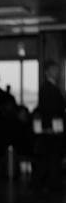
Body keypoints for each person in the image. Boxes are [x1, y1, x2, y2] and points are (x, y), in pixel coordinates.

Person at [33, 59, 66, 191]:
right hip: (51, 129)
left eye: (57, 70)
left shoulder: (51, 87)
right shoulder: (47, 88)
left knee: (51, 158)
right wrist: (52, 128)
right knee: (51, 157)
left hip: (53, 128)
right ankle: (50, 185)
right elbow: (50, 111)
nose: (57, 72)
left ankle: (49, 184)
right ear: (47, 71)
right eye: (54, 70)